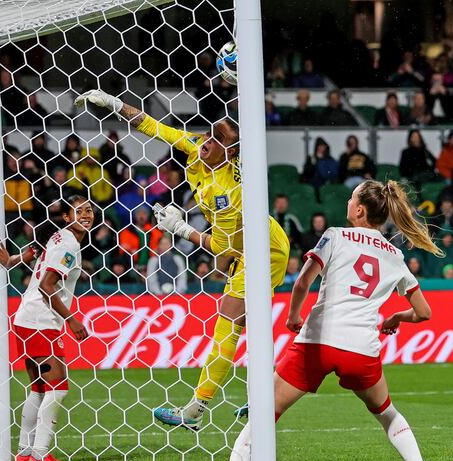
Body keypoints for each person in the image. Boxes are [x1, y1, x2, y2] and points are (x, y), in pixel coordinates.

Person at [197, 180, 446, 461]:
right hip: (361, 349)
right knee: (387, 413)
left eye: (351, 197)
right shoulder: (395, 255)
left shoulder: (335, 235)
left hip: (318, 342)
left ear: (358, 210)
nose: (347, 201)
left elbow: (303, 280)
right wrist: (395, 319)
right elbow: (424, 312)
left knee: (264, 414)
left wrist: (293, 316)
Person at [75, 89, 291, 429]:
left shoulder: (227, 191)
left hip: (265, 251)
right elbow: (153, 126)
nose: (207, 140)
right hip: (250, 243)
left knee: (229, 320)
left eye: (218, 139)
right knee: (245, 322)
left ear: (232, 152)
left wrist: (179, 228)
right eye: (210, 132)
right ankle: (268, 393)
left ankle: (196, 409)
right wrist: (113, 103)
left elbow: (220, 247)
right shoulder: (197, 147)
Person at [0, 196, 93, 461]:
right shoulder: (69, 245)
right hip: (41, 322)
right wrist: (72, 320)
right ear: (66, 216)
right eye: (79, 210)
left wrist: (11, 260)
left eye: (89, 210)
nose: (86, 214)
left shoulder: (57, 237)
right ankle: (40, 454)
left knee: (39, 388)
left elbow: (33, 253)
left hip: (27, 319)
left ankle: (25, 452)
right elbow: (47, 286)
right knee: (58, 388)